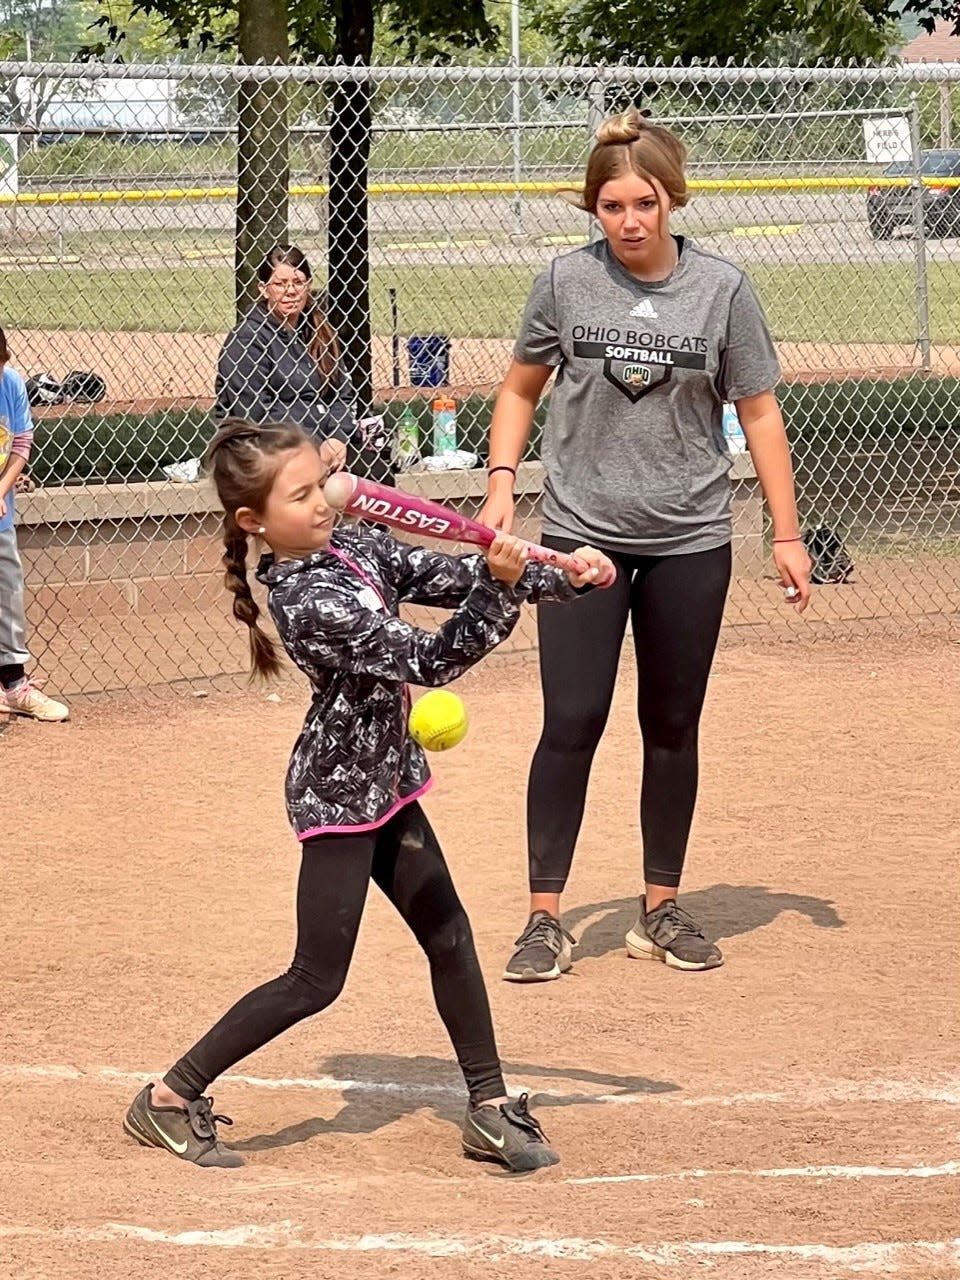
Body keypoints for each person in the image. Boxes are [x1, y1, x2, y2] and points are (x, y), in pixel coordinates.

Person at [123, 417, 614, 1172]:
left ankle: (488, 1108)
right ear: (255, 523)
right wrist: (506, 592)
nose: (321, 502)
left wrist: (558, 574)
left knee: (448, 933)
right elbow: (430, 655)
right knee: (316, 978)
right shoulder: (309, 598)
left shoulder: (352, 543)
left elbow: (441, 574)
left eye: (320, 483)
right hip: (339, 795)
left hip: (385, 781)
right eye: (300, 496)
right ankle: (168, 1095)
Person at [480, 108, 812, 982]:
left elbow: (760, 412)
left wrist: (785, 531)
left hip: (690, 538)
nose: (629, 221)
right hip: (581, 535)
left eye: (645, 203)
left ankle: (659, 907)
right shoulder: (563, 281)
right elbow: (519, 390)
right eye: (612, 205)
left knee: (671, 726)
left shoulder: (722, 289)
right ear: (593, 208)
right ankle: (544, 918)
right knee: (572, 721)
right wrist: (503, 480)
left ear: (672, 201)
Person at [215, 245, 357, 470]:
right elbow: (255, 416)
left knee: (379, 472)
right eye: (280, 284)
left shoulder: (318, 333)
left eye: (298, 282)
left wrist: (338, 437)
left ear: (308, 285)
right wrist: (312, 446)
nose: (290, 291)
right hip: (270, 453)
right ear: (264, 289)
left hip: (326, 444)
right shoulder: (247, 338)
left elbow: (342, 396)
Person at [0, 326, 69, 723]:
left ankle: (14, 687)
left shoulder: (10, 383)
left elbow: (21, 443)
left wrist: (2, 490)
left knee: (7, 593)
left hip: (0, 512)